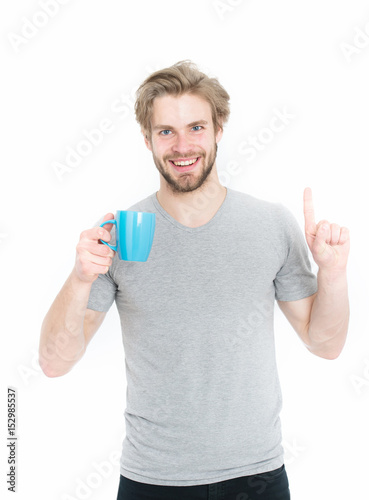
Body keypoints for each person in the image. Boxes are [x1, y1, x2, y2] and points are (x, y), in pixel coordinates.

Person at [39, 61, 350, 500]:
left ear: (219, 128)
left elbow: (326, 344)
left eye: (196, 127)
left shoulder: (271, 225)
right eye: (165, 131)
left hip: (257, 477)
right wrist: (78, 278)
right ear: (146, 139)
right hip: (153, 481)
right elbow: (55, 362)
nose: (182, 145)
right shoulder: (118, 236)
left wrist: (333, 274)